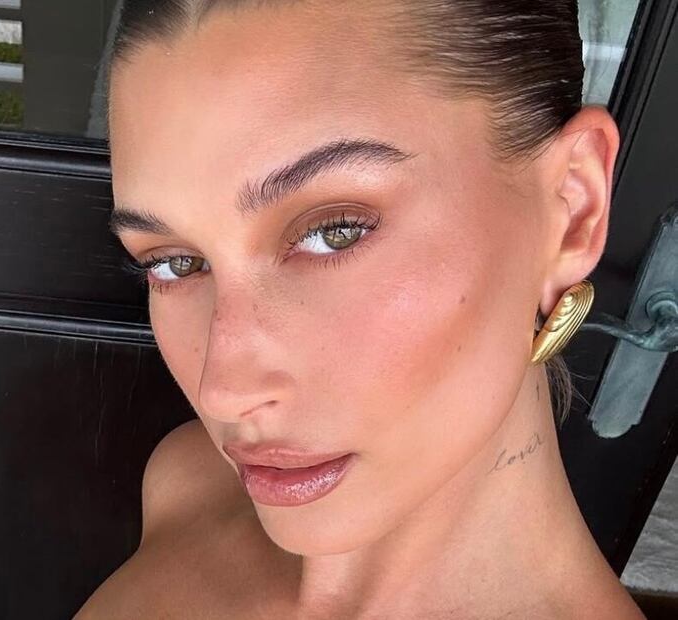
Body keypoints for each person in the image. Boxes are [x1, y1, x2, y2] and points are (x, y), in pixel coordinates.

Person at [78, 0, 645, 617]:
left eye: (336, 232)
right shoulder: (186, 485)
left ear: (571, 206)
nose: (224, 392)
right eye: (175, 263)